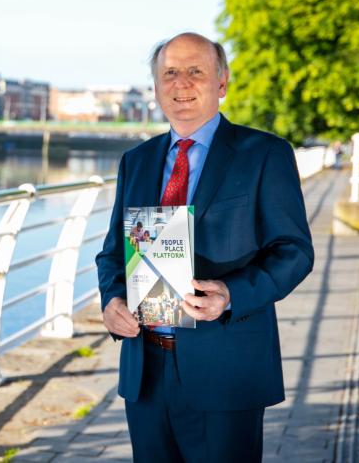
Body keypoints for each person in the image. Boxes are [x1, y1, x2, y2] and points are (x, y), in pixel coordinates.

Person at [96, 32, 313, 462]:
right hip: (145, 372)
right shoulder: (135, 161)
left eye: (195, 71)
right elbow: (112, 254)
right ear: (156, 87)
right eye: (170, 73)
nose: (181, 83)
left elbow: (294, 251)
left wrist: (231, 294)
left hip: (226, 369)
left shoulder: (264, 153)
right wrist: (112, 299)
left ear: (222, 82)